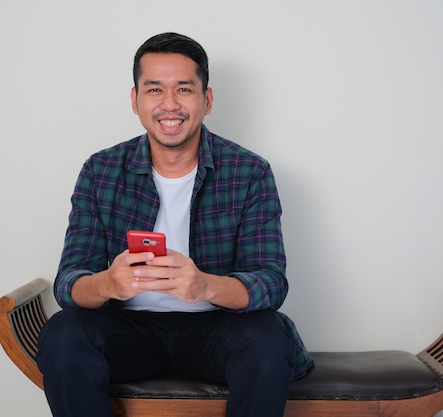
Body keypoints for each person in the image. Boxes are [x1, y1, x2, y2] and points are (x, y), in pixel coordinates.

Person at [35, 32, 314, 417]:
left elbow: (270, 283)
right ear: (135, 100)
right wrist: (108, 283)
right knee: (64, 334)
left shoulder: (249, 171)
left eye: (184, 89)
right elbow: (69, 283)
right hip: (127, 332)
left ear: (207, 99)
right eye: (154, 90)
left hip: (217, 333)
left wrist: (204, 285)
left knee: (268, 335)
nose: (170, 104)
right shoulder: (100, 171)